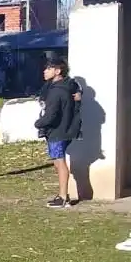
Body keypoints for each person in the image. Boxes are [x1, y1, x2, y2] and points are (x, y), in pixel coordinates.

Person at [34, 58, 80, 208]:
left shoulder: (57, 91)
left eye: (48, 68)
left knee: (60, 162)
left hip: (57, 131)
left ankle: (62, 197)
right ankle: (63, 195)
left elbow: (51, 114)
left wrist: (38, 123)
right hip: (63, 129)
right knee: (57, 161)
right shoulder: (67, 86)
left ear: (57, 71)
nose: (44, 71)